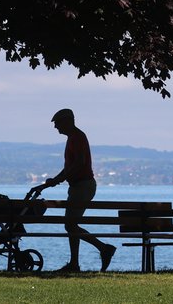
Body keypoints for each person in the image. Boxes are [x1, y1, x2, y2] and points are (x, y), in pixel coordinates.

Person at [30, 108, 116, 272]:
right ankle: (76, 262)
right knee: (71, 224)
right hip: (78, 186)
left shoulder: (77, 137)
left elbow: (79, 163)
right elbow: (71, 166)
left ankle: (102, 249)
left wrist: (57, 180)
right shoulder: (73, 138)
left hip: (82, 186)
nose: (56, 127)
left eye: (57, 123)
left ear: (68, 121)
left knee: (70, 224)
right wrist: (54, 181)